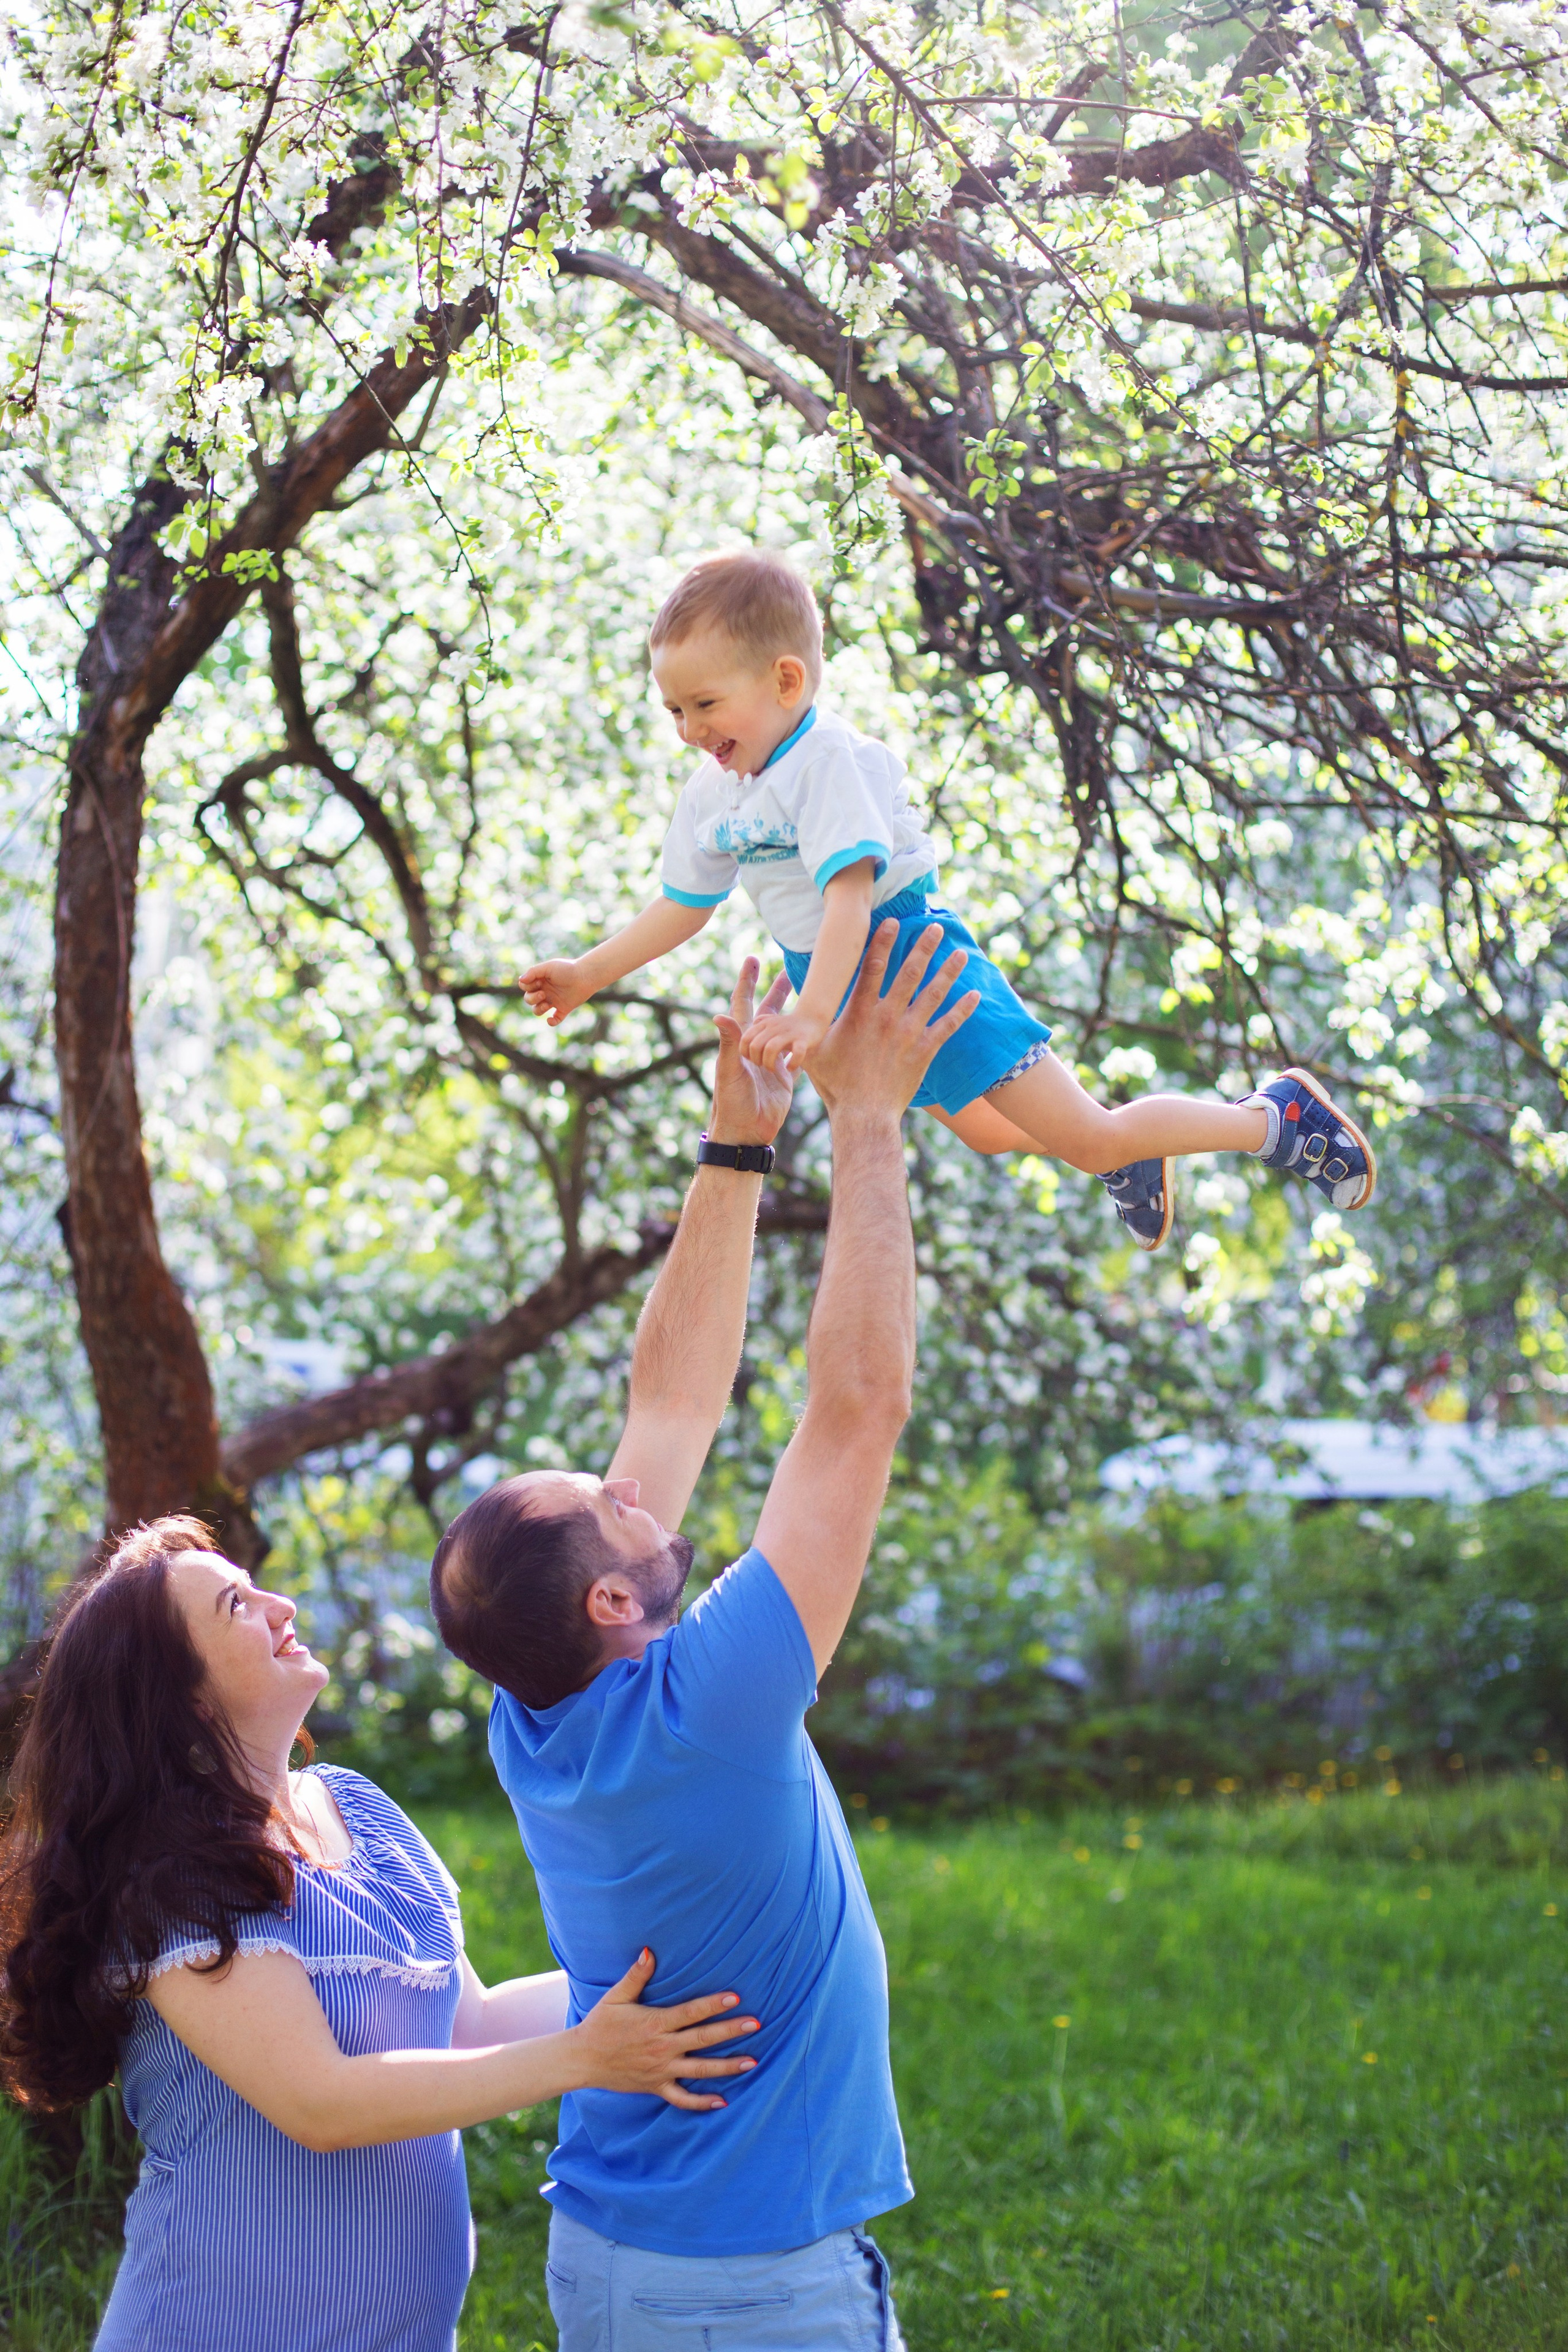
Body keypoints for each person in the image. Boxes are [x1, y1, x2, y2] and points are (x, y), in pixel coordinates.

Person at [430, 930, 981, 2351]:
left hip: (610, 2259)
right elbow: (854, 1411)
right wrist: (866, 1119)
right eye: (601, 1502)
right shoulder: (713, 1702)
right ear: (610, 1600)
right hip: (756, 2295)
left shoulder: (538, 1708)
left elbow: (671, 1405)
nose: (628, 1483)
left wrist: (734, 1150)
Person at [0, 1518, 761, 2352]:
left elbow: (471, 2023)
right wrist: (588, 2057)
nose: (281, 1604)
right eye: (236, 1606)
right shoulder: (173, 1877)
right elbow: (320, 2103)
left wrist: (684, 1965)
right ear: (179, 1693)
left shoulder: (357, 1809)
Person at [520, 547, 1377, 1253]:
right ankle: (1139, 1156)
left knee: (1088, 1136)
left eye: (705, 704)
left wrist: (814, 1019)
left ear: (786, 682)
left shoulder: (826, 763)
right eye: (674, 708)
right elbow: (686, 904)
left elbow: (851, 900)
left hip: (909, 960)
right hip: (843, 982)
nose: (688, 730)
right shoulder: (720, 792)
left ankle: (1272, 1118)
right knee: (990, 1129)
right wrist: (591, 973)